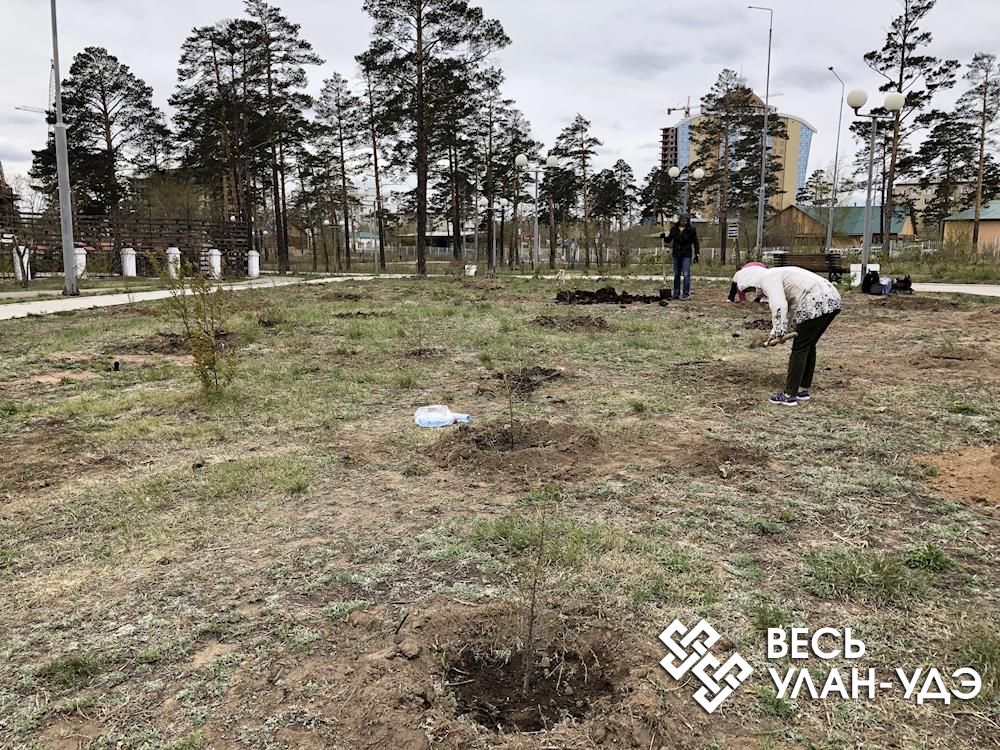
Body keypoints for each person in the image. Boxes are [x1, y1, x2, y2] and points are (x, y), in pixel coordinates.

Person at [732, 264, 842, 407]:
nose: (753, 292)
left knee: (799, 349)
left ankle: (789, 395)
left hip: (816, 299)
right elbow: (791, 308)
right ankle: (803, 389)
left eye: (750, 289)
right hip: (831, 298)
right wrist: (776, 333)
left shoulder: (767, 278)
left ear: (750, 280)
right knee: (808, 345)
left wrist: (780, 332)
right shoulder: (776, 274)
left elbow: (779, 305)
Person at [660, 213, 700, 300]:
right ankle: (676, 293)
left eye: (686, 221)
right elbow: (669, 239)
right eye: (683, 221)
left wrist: (697, 253)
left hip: (686, 254)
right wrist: (664, 237)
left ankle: (686, 294)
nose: (685, 222)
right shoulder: (674, 229)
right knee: (677, 274)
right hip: (676, 254)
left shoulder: (691, 230)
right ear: (680, 220)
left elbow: (695, 242)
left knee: (686, 274)